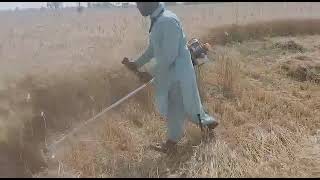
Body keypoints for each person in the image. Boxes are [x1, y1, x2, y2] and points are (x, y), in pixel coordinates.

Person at [122, 2, 218, 153]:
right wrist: (136, 63)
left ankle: (208, 125)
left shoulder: (167, 21)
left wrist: (150, 73)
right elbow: (153, 49)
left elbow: (169, 55)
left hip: (180, 73)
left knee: (191, 108)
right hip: (170, 74)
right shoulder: (158, 20)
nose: (137, 7)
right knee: (174, 108)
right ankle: (172, 142)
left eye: (140, 3)